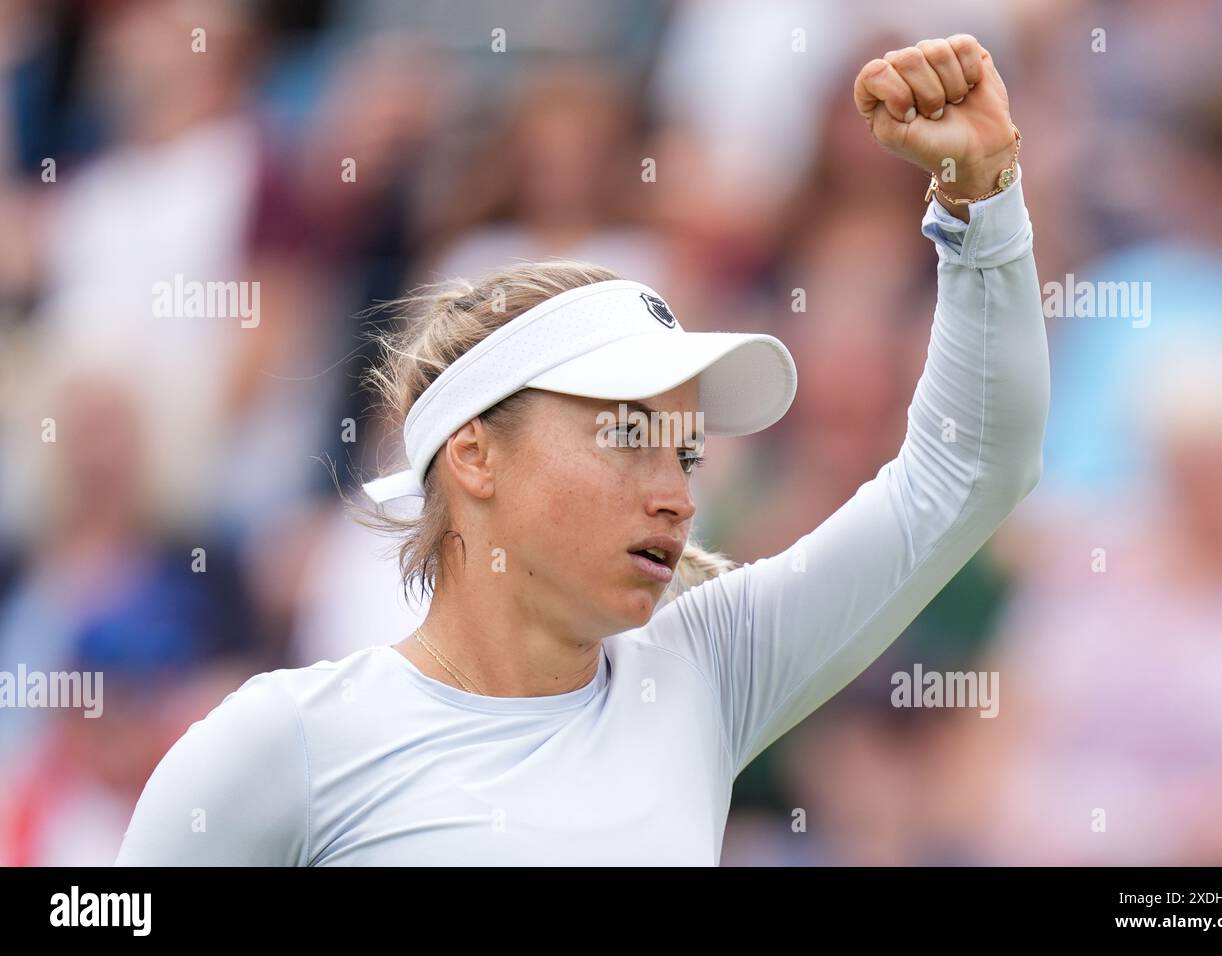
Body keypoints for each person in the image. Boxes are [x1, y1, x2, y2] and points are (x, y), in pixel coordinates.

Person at [114, 34, 1048, 865]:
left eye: (687, 453)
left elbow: (970, 469)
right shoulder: (282, 743)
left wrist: (983, 201)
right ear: (474, 456)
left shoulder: (708, 669)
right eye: (630, 434)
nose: (680, 496)